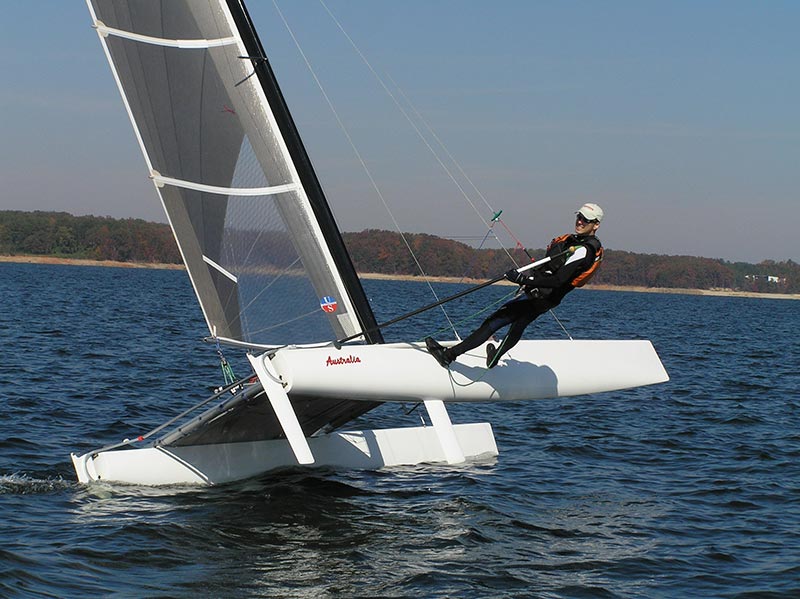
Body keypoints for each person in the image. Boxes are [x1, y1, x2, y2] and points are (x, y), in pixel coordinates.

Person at [425, 203, 604, 369]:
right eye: (579, 217)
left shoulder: (583, 250)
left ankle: (448, 355)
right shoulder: (576, 242)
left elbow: (558, 280)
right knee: (519, 324)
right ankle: (494, 358)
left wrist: (522, 279)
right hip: (547, 297)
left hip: (541, 296)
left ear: (596, 225)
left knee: (494, 322)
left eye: (586, 220)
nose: (580, 221)